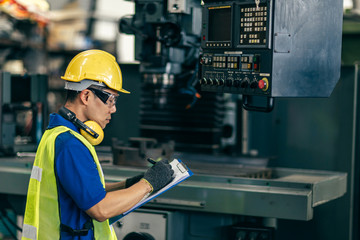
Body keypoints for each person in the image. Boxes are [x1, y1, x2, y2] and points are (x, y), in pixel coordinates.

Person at [21, 49, 174, 240]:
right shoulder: (70, 144)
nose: (114, 108)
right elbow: (100, 209)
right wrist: (148, 184)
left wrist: (128, 185)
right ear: (86, 96)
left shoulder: (58, 133)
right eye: (111, 100)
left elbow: (86, 190)